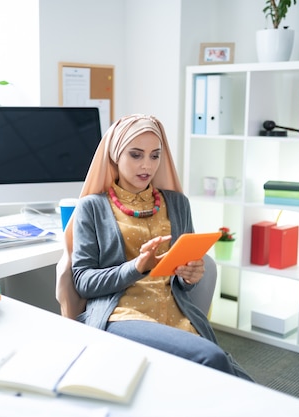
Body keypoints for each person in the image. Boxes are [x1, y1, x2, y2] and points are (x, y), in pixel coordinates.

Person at [56, 114, 252, 381]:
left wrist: (191, 275)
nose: (146, 165)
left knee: (230, 377)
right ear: (115, 155)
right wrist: (136, 267)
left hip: (175, 311)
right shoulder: (92, 207)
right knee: (213, 359)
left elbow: (185, 281)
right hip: (121, 314)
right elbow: (83, 282)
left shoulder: (177, 203)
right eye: (136, 155)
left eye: (154, 155)